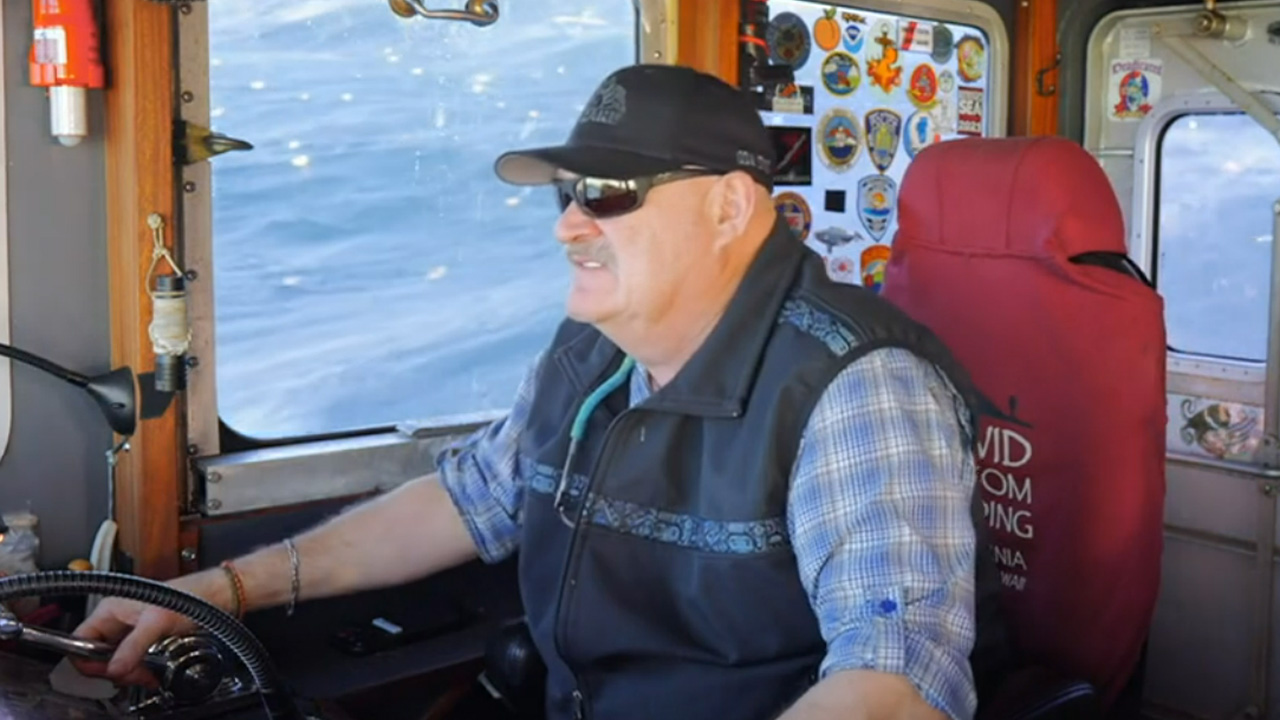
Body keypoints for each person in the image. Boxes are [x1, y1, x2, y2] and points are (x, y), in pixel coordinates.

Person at [75, 64, 990, 720]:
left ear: (730, 207)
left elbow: (897, 677)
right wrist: (219, 591)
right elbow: (468, 500)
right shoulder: (592, 351)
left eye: (607, 191)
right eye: (563, 192)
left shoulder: (857, 388)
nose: (567, 224)